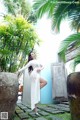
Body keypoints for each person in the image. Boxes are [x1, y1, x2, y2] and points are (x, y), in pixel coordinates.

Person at [17, 50, 47, 114]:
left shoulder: (37, 61)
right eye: (31, 54)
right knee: (44, 82)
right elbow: (25, 67)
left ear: (35, 54)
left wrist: (40, 69)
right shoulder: (31, 62)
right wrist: (18, 71)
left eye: (33, 54)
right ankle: (35, 110)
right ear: (30, 56)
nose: (32, 55)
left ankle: (35, 109)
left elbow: (43, 66)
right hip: (34, 74)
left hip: (37, 74)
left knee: (38, 89)